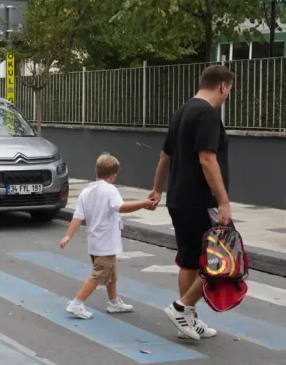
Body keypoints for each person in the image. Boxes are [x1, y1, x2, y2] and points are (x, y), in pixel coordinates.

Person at [148, 64, 234, 340]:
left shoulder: (182, 111)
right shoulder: (207, 114)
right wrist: (223, 201)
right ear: (223, 86)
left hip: (178, 199)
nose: (227, 94)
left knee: (188, 261)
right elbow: (207, 159)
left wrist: (157, 190)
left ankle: (187, 320)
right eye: (229, 90)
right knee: (224, 260)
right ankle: (181, 307)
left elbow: (165, 156)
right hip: (201, 201)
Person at [59, 153, 155, 319]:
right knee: (98, 275)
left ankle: (114, 302)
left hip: (95, 242)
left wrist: (68, 235)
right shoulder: (110, 190)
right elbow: (121, 207)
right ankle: (77, 303)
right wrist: (144, 204)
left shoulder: (86, 191)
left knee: (110, 273)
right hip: (106, 242)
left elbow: (78, 216)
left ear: (96, 170)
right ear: (113, 175)